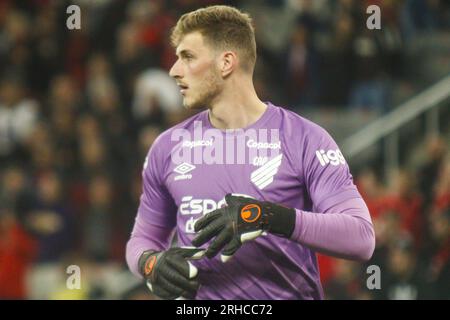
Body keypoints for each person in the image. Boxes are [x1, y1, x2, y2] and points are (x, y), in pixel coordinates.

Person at [126, 5, 375, 300]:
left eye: (188, 57)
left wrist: (266, 216)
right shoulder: (168, 146)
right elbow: (143, 239)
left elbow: (360, 238)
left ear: (226, 62)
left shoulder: (303, 139)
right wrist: (151, 263)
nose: (174, 70)